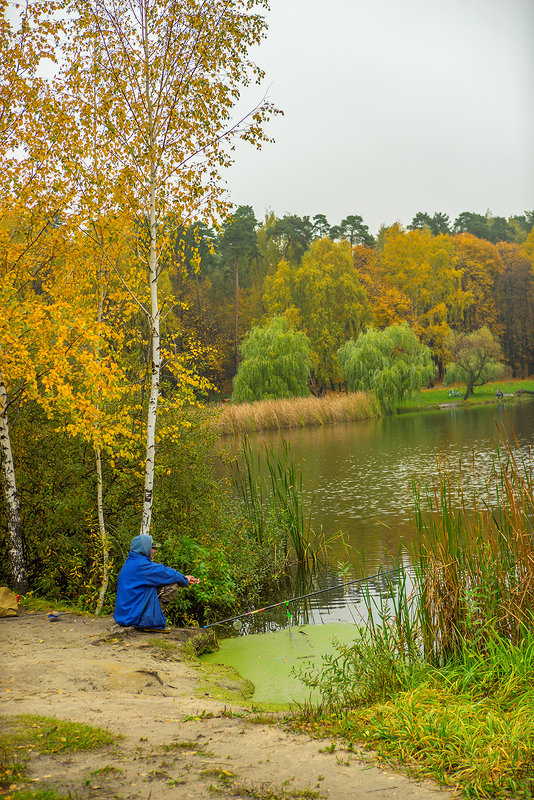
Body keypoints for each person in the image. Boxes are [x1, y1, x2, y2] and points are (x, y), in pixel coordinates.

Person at [113, 534, 200, 630]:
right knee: (171, 587)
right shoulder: (142, 566)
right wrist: (184, 580)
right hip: (132, 617)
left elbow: (161, 574)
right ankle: (149, 621)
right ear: (144, 549)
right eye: (153, 548)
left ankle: (149, 618)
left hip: (124, 615)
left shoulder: (132, 562)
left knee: (158, 584)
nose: (155, 551)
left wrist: (183, 578)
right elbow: (166, 573)